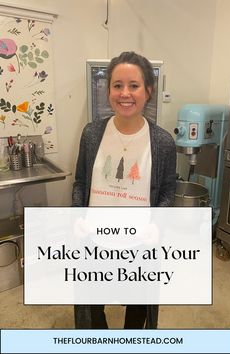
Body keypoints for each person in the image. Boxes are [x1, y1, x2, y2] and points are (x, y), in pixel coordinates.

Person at [72, 51, 176, 329]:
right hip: (95, 241)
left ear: (148, 91)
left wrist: (157, 225)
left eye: (134, 85)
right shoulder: (92, 134)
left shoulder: (163, 142)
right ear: (108, 91)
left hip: (139, 245)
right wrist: (77, 217)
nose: (125, 93)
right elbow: (81, 182)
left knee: (138, 307)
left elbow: (167, 192)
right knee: (92, 306)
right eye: (117, 85)